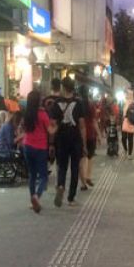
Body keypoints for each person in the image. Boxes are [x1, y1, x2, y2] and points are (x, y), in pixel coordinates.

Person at [51, 78, 87, 206]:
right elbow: (82, 125)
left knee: (62, 166)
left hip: (61, 138)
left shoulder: (57, 103)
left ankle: (61, 185)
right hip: (75, 137)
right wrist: (84, 143)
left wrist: (51, 141)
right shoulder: (79, 103)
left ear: (63, 88)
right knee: (75, 168)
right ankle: (71, 198)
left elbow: (53, 124)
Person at [23, 91, 57, 213]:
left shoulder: (26, 113)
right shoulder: (42, 114)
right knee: (43, 176)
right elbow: (51, 131)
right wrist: (56, 125)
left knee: (32, 175)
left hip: (27, 146)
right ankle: (36, 196)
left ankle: (32, 200)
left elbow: (24, 129)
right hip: (40, 148)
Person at [79, 85, 98, 190]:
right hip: (90, 133)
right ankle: (88, 176)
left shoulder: (77, 104)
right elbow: (94, 121)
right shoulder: (91, 104)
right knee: (90, 156)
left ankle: (82, 183)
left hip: (79, 134)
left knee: (81, 159)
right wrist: (99, 134)